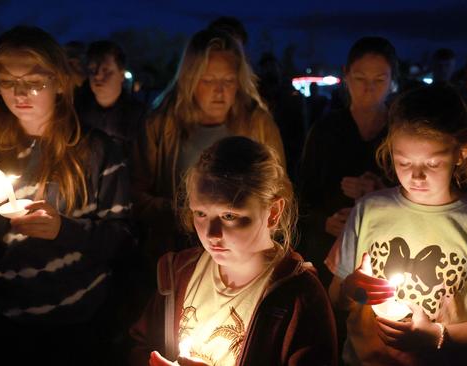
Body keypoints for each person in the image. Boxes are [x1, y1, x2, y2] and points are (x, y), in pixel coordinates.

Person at [0, 26, 134, 364]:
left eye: (34, 82)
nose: (19, 92)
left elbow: (124, 241)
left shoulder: (97, 151)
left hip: (77, 324)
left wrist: (63, 229)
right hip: (4, 322)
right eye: (8, 81)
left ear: (59, 82)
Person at [326, 85, 467, 365]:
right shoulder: (369, 211)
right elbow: (336, 299)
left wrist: (436, 336)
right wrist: (353, 288)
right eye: (403, 162)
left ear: (463, 152)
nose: (417, 176)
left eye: (432, 163)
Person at [129, 136, 337, 366]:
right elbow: (141, 345)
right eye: (200, 214)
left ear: (274, 212)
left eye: (229, 216)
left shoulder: (299, 297)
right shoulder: (178, 273)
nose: (211, 234)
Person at [131, 28, 284, 262]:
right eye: (208, 80)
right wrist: (193, 215)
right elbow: (137, 194)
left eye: (228, 81)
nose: (219, 91)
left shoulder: (256, 124)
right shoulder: (161, 124)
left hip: (243, 258)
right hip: (176, 254)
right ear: (190, 80)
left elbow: (280, 189)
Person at [298, 36, 396, 287]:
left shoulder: (399, 131)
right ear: (347, 75)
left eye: (379, 80)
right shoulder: (327, 129)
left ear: (392, 79)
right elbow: (302, 191)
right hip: (327, 245)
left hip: (387, 249)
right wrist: (324, 220)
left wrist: (380, 190)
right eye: (361, 78)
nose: (369, 88)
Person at [76, 40, 145, 145]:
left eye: (106, 70)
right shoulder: (76, 112)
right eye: (93, 70)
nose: (97, 76)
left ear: (121, 75)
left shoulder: (139, 117)